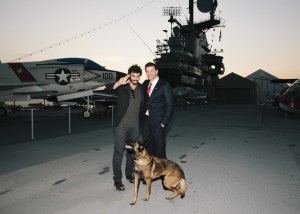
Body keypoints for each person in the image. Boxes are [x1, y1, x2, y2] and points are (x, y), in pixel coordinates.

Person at [105, 64, 144, 191]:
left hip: (135, 126)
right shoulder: (122, 88)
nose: (135, 78)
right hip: (121, 125)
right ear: (129, 75)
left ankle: (129, 174)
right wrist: (118, 83)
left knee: (132, 153)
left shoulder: (141, 89)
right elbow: (108, 90)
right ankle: (117, 179)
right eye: (133, 75)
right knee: (118, 152)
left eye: (138, 76)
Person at [142, 62, 174, 159]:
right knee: (148, 148)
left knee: (160, 149)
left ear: (156, 71)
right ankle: (151, 171)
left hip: (158, 121)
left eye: (151, 71)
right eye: (147, 71)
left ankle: (162, 173)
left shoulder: (164, 85)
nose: (149, 73)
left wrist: (164, 122)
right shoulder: (145, 83)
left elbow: (170, 105)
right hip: (146, 121)